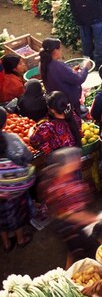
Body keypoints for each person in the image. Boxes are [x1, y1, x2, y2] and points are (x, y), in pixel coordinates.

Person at [39, 147, 98, 267]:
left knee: (75, 243)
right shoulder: (59, 187)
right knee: (77, 245)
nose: (78, 162)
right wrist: (91, 218)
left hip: (72, 218)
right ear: (65, 165)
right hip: (67, 223)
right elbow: (67, 214)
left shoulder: (63, 175)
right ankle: (74, 266)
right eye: (75, 160)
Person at [0, 107, 34, 252]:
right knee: (17, 212)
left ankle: (6, 243)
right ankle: (20, 239)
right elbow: (28, 157)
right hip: (14, 188)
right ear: (4, 122)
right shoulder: (12, 138)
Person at [39, 38, 89, 112]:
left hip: (56, 99)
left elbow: (59, 76)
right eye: (60, 49)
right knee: (73, 116)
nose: (61, 51)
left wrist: (72, 71)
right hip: (68, 100)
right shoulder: (58, 66)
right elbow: (79, 79)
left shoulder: (42, 63)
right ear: (55, 51)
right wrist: (85, 68)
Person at [30, 91, 82, 156]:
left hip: (60, 160)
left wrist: (31, 130)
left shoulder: (48, 127)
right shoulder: (74, 116)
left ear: (52, 110)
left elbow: (33, 142)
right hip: (75, 156)